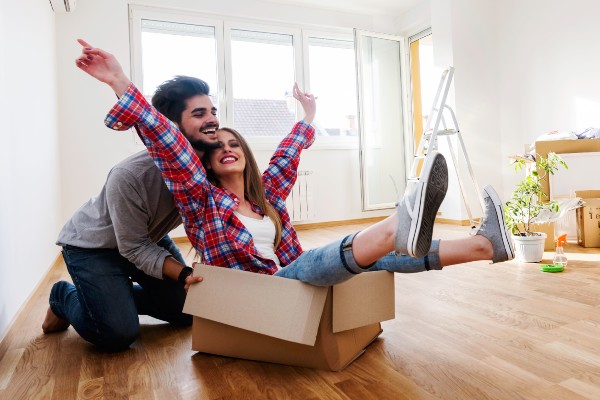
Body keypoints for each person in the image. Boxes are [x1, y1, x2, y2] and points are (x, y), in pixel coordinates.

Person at [74, 39, 514, 289]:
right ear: (201, 165)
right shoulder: (199, 196)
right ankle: (396, 222)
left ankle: (483, 247)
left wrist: (307, 116)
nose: (225, 145)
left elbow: (286, 155)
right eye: (216, 146)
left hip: (290, 281)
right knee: (333, 254)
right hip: (258, 291)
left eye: (234, 142)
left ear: (246, 156)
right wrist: (120, 82)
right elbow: (168, 142)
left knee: (377, 259)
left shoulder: (266, 198)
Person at [41, 75, 212, 351]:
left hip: (147, 239)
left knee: (187, 311)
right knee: (117, 333)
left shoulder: (207, 170)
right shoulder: (130, 176)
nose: (212, 119)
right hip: (94, 247)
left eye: (213, 111)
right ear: (172, 126)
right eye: (199, 113)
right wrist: (183, 274)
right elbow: (133, 247)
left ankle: (110, 300)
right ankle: (63, 296)